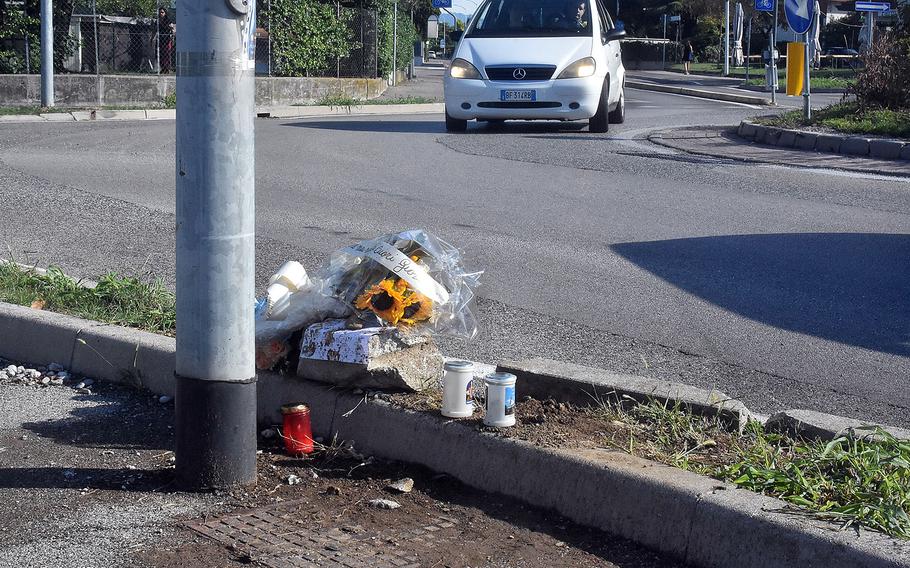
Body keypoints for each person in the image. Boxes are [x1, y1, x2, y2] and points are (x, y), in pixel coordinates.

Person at [157, 8, 175, 73]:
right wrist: (152, 39)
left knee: (167, 54)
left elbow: (172, 29)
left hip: (167, 39)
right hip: (160, 39)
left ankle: (167, 68)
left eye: (162, 12)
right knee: (161, 54)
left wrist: (172, 38)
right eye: (160, 12)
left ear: (165, 13)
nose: (161, 14)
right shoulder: (158, 21)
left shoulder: (168, 21)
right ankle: (163, 68)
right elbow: (154, 30)